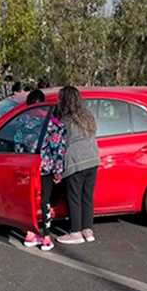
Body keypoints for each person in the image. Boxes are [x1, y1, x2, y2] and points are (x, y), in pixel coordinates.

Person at [21, 90, 67, 252]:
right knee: (45, 201)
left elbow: (18, 145)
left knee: (29, 199)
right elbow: (58, 151)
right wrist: (58, 173)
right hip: (46, 168)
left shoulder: (22, 123)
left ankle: (29, 233)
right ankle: (46, 237)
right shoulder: (54, 126)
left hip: (27, 167)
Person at [56, 86, 100, 245]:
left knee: (73, 197)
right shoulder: (87, 116)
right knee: (87, 196)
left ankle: (75, 232)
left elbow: (62, 144)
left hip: (76, 162)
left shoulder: (65, 120)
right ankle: (87, 230)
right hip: (93, 160)